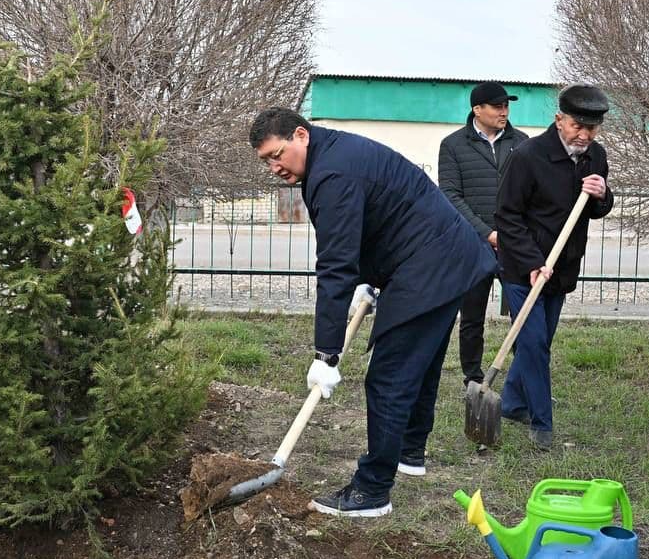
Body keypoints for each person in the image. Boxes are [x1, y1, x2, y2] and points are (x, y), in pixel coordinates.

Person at [249, 108, 496, 517]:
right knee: (421, 362)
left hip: (430, 264)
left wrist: (326, 354)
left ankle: (372, 491)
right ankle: (410, 452)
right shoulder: (333, 155)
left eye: (277, 154)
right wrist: (372, 274)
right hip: (447, 256)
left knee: (389, 376)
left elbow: (334, 266)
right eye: (266, 162)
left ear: (300, 135)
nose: (274, 167)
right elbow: (374, 221)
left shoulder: (332, 175)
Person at [494, 85, 614, 449]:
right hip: (523, 268)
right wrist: (531, 261)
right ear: (559, 119)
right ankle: (542, 423)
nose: (585, 135)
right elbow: (507, 216)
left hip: (562, 268)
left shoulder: (596, 156)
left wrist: (602, 194)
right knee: (534, 345)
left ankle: (512, 404)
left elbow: (599, 210)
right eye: (578, 126)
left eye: (592, 128)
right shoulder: (528, 156)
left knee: (539, 339)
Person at [438, 81, 529, 389]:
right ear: (477, 109)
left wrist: (514, 233)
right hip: (472, 244)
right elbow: (450, 195)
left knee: (523, 315)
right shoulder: (453, 145)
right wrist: (486, 233)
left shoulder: (523, 143)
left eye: (506, 105)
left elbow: (531, 192)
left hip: (515, 244)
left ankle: (521, 378)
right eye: (497, 106)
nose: (504, 111)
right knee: (472, 315)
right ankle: (473, 378)